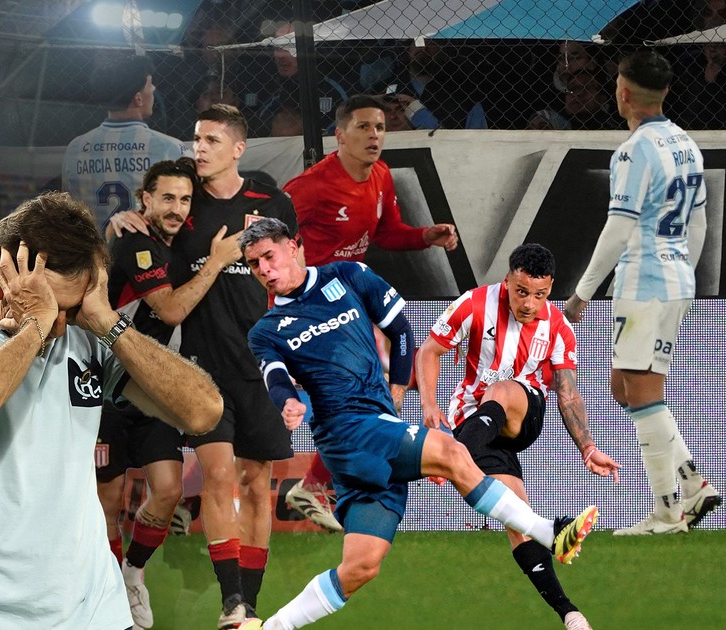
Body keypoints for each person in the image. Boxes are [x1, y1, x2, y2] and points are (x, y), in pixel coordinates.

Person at [238, 218, 598, 630]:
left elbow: (401, 330)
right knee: (451, 452)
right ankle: (551, 533)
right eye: (254, 264)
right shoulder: (265, 331)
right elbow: (275, 377)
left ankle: (271, 627)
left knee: (360, 567)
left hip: (373, 433)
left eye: (269, 256)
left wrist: (396, 391)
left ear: (294, 246)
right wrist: (287, 402)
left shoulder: (348, 275)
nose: (264, 269)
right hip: (347, 432)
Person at [0, 191, 222, 629]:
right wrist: (33, 329)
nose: (63, 322)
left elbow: (203, 412)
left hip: (92, 610)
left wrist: (107, 321)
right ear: (2, 276)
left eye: (72, 308)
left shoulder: (88, 334)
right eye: (52, 306)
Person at [111, 104, 300, 626]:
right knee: (218, 476)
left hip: (259, 365)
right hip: (200, 368)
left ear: (239, 148)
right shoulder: (183, 201)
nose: (200, 148)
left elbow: (294, 269)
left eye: (212, 140)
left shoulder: (271, 202)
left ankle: (249, 605)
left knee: (256, 483)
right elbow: (147, 226)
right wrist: (119, 218)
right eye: (197, 138)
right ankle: (230, 602)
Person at [416, 243, 621, 630]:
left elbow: (567, 393)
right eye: (521, 291)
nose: (529, 303)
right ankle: (571, 614)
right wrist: (429, 404)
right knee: (518, 518)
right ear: (508, 280)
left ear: (550, 288)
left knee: (502, 390)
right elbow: (429, 351)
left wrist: (588, 446)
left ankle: (445, 457)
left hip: (523, 413)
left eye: (539, 294)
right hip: (475, 423)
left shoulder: (557, 327)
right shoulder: (474, 304)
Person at [280, 94, 458, 532]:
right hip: (310, 308)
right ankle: (314, 484)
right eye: (363, 127)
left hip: (347, 306)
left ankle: (314, 484)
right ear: (339, 135)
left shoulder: (380, 176)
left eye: (379, 127)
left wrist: (426, 236)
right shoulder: (311, 187)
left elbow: (387, 233)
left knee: (369, 397)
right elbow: (270, 240)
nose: (374, 135)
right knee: (365, 397)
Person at [565, 50, 721, 535]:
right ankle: (694, 484)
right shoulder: (687, 144)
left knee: (643, 392)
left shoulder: (633, 152)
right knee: (624, 388)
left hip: (644, 281)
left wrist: (581, 294)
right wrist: (683, 275)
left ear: (623, 92)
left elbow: (619, 227)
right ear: (665, 91)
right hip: (675, 280)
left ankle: (668, 512)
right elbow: (699, 223)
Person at [99, 157, 242, 629]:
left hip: (155, 388)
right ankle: (110, 594)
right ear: (145, 199)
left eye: (184, 199)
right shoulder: (135, 241)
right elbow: (172, 310)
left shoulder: (174, 243)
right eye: (166, 198)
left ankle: (132, 572)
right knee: (108, 502)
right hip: (107, 387)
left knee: (167, 491)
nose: (176, 208)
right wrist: (217, 262)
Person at [63, 53, 192, 229]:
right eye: (149, 85)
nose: (154, 89)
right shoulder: (171, 149)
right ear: (138, 98)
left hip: (92, 243)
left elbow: (68, 208)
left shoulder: (76, 148)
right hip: (145, 244)